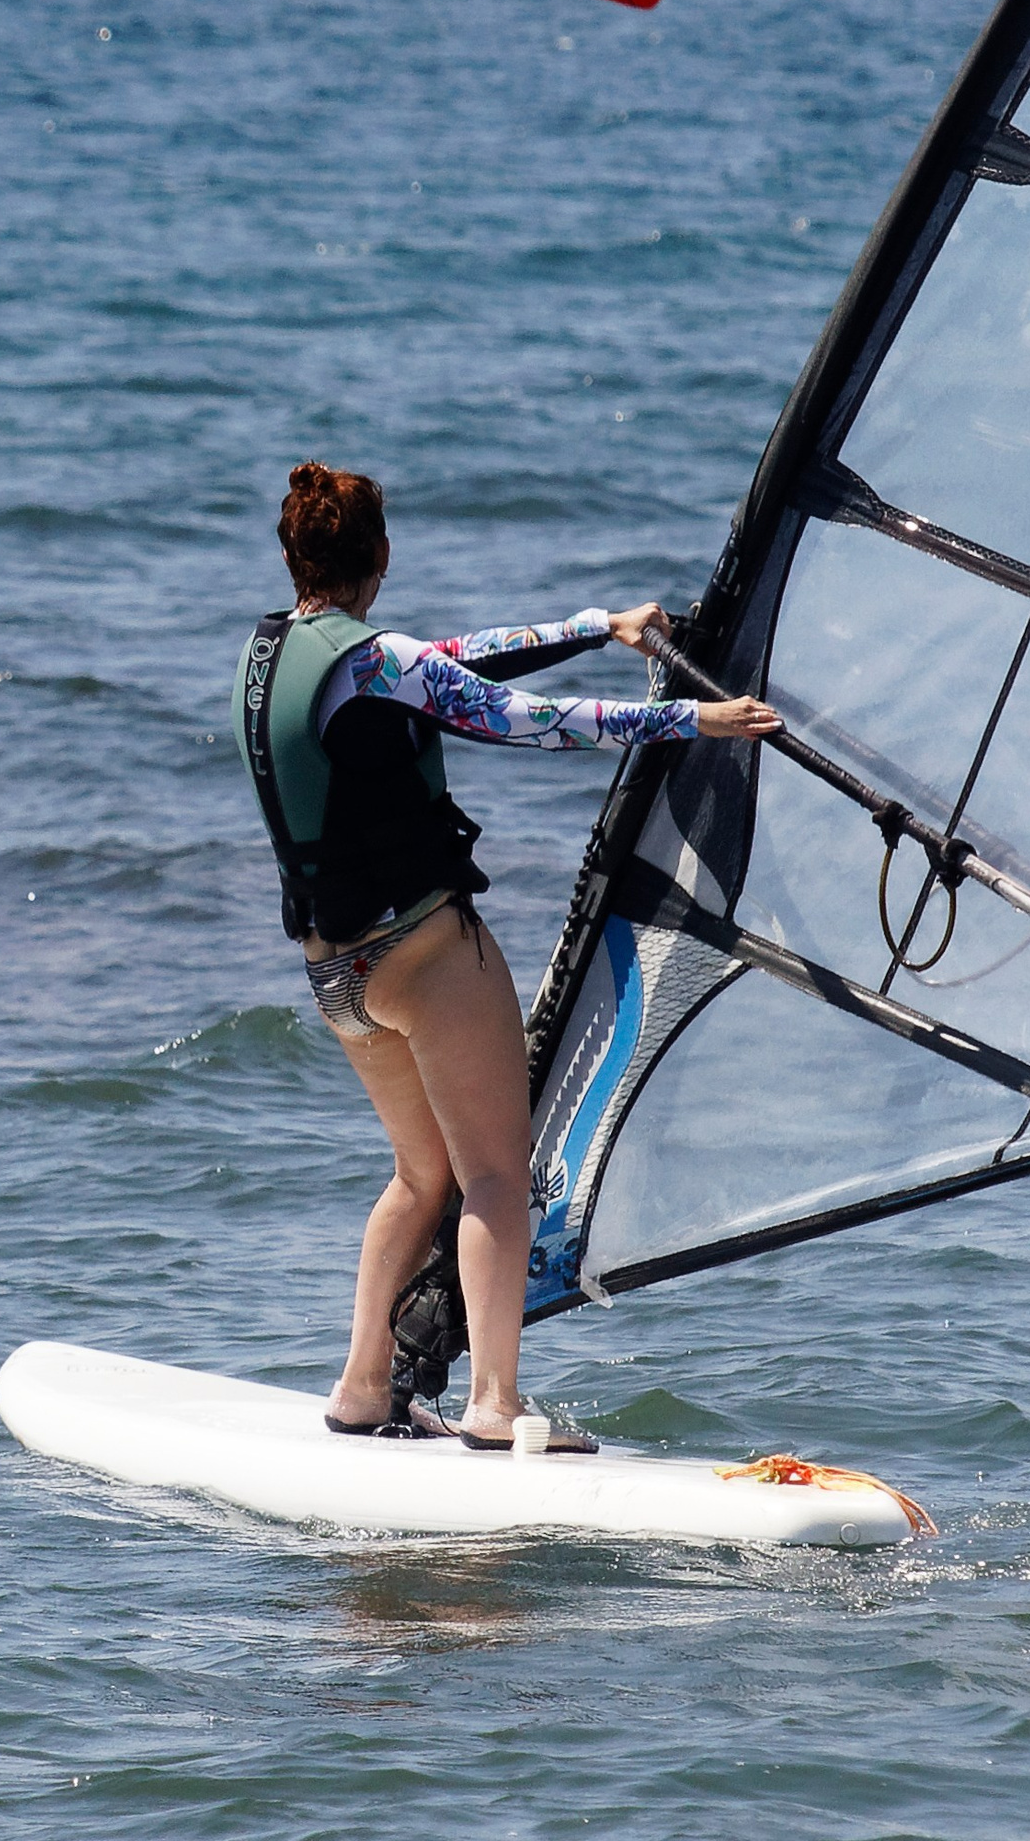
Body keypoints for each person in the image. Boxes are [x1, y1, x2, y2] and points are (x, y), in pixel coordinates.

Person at [231, 461, 781, 1451]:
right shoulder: (377, 662)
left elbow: (452, 661)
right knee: (492, 1175)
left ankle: (362, 1387)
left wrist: (596, 626)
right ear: (382, 554)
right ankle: (495, 1403)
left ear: (292, 556)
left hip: (335, 973)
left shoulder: (272, 653)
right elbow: (530, 722)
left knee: (419, 1177)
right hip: (422, 957)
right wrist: (692, 720)